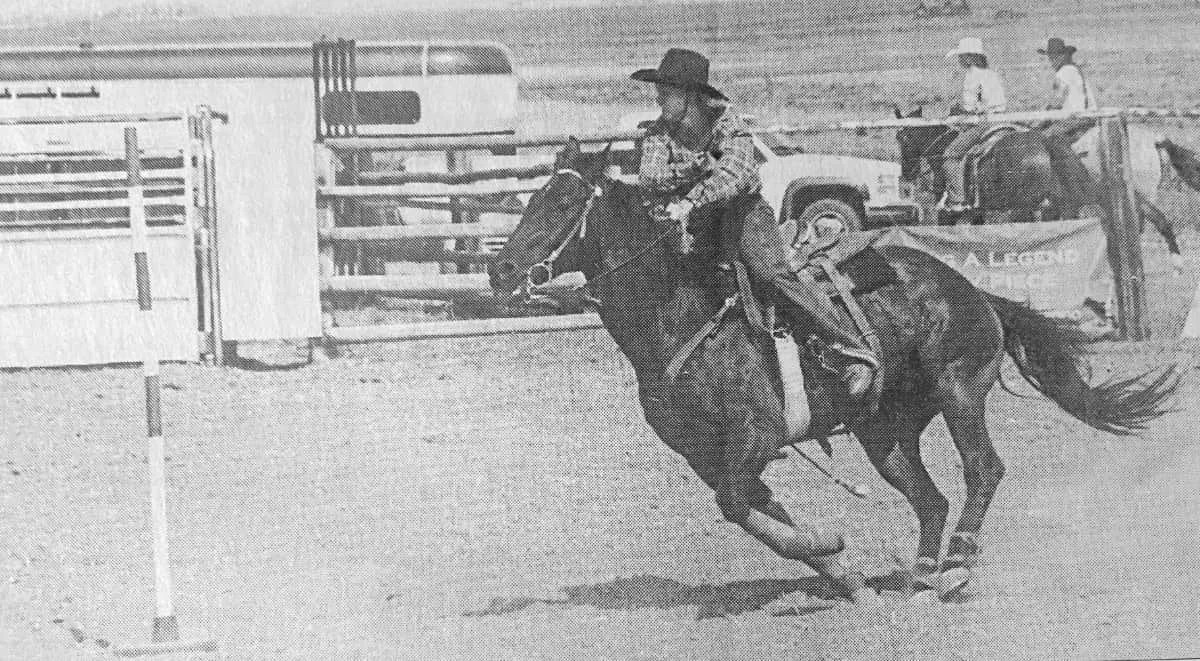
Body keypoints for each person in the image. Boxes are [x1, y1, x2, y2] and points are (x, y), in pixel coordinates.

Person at [631, 48, 878, 396]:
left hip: (743, 214)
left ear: (690, 95)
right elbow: (650, 177)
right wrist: (698, 166)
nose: (658, 98)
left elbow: (736, 174)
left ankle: (850, 351)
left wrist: (689, 197)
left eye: (666, 92)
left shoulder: (726, 122)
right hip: (696, 222)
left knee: (770, 273)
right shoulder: (658, 132)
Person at [939, 37, 1007, 212]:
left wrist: (956, 109)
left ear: (969, 58)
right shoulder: (991, 74)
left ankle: (957, 200)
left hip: (984, 123)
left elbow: (969, 107)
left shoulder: (971, 76)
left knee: (951, 155)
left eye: (961, 56)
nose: (960, 60)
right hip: (1002, 120)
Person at [1039, 37, 1097, 141]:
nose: (1052, 62)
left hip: (1076, 118)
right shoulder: (1074, 69)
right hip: (1088, 116)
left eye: (1054, 58)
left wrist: (1043, 116)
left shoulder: (1063, 72)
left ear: (1062, 57)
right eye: (1051, 58)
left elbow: (1057, 102)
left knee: (1042, 137)